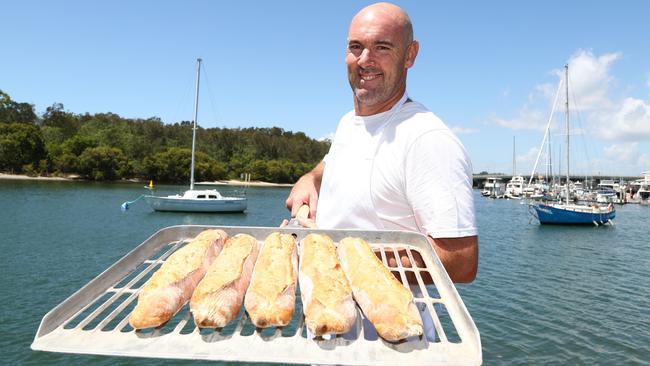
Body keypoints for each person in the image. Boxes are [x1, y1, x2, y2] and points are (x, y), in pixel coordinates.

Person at [285, 2, 478, 283]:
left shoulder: (427, 139)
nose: (365, 60)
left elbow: (460, 263)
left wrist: (332, 254)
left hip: (392, 323)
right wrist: (311, 179)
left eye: (382, 47)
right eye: (356, 47)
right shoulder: (348, 123)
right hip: (328, 313)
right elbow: (335, 163)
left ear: (410, 55)